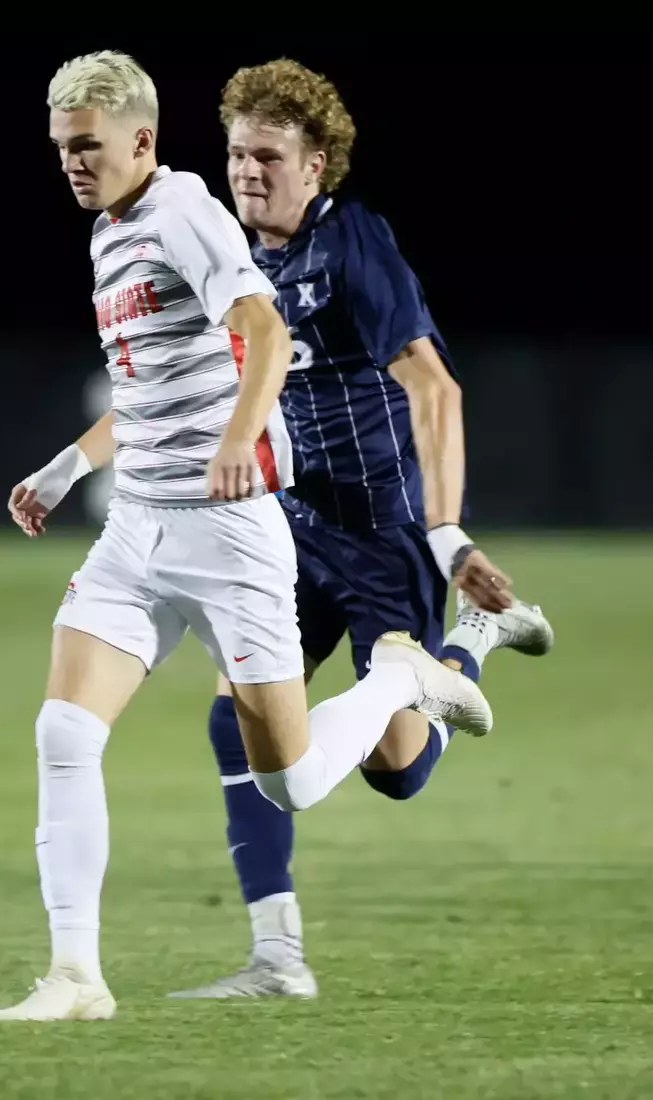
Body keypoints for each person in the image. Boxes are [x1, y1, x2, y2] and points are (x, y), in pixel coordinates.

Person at [0, 50, 492, 1024]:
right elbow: (145, 390)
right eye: (59, 150)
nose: (71, 165)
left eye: (86, 146)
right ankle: (78, 976)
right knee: (63, 730)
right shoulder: (110, 232)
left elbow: (261, 332)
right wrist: (65, 468)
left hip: (239, 532)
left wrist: (237, 441)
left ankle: (404, 675)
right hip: (139, 529)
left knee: (296, 776)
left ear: (143, 139)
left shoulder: (186, 213)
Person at [169, 59, 556, 1000]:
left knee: (397, 771)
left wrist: (449, 535)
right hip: (291, 527)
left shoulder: (355, 244)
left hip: (384, 526)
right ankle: (277, 956)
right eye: (235, 153)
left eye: (268, 155)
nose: (247, 171)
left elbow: (434, 386)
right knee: (240, 715)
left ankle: (462, 647)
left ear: (319, 164)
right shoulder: (225, 252)